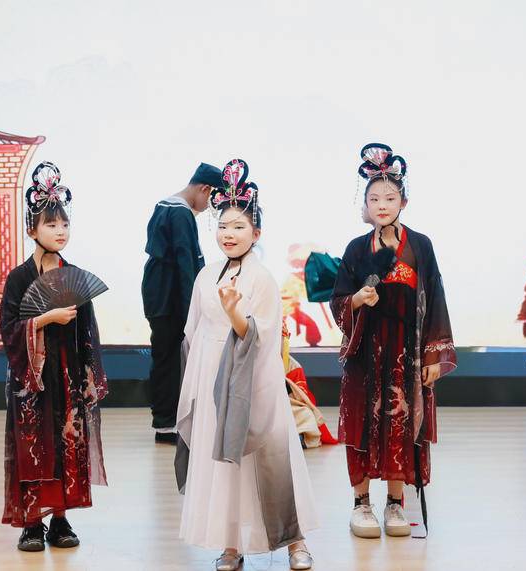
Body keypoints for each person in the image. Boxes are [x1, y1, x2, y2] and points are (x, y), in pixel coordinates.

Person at [175, 159, 317, 570]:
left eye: (238, 226)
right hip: (212, 377)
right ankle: (231, 545)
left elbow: (260, 335)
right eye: (223, 226)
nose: (228, 234)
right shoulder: (205, 276)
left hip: (253, 380)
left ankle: (295, 541)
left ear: (256, 233)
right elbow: (193, 331)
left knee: (269, 458)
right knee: (224, 466)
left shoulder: (262, 278)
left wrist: (235, 314)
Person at [330, 143, 456, 539]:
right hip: (365, 354)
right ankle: (361, 502)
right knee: (362, 426)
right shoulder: (356, 249)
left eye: (389, 198)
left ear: (404, 201)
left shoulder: (420, 246)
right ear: (365, 205)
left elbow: (435, 298)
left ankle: (395, 503)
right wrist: (356, 300)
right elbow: (338, 300)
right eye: (374, 199)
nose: (382, 205)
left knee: (402, 424)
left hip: (407, 353)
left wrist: (433, 355)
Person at [0, 162, 108, 551]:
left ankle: (60, 519)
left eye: (64, 224)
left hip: (67, 375)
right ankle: (32, 522)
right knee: (33, 445)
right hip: (31, 379)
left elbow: (88, 333)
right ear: (32, 230)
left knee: (65, 445)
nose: (60, 231)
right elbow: (8, 329)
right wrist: (45, 319)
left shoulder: (73, 274)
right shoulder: (18, 279)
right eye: (50, 224)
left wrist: (89, 377)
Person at [142, 163, 222, 443]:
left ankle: (166, 420)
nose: (209, 208)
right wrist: (194, 308)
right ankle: (166, 425)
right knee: (169, 360)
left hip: (158, 295)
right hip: (171, 298)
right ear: (205, 189)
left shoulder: (164, 205)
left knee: (164, 357)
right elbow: (186, 266)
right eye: (211, 200)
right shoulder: (181, 213)